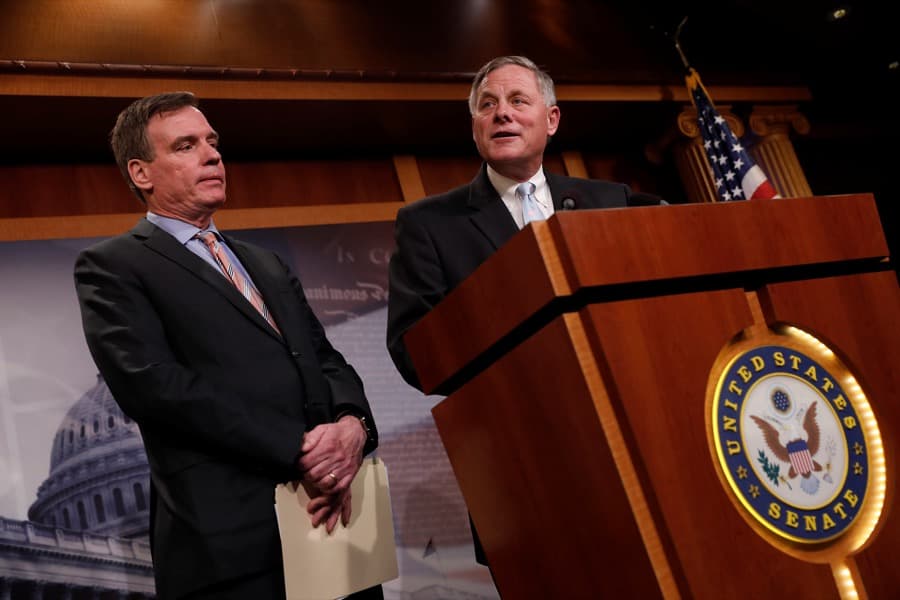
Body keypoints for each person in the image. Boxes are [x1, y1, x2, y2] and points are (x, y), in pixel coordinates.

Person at [75, 92, 381, 599]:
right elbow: (156, 387)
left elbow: (323, 359)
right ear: (142, 172)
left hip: (333, 522)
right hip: (235, 549)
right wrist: (299, 449)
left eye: (213, 143)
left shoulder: (265, 263)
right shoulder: (113, 267)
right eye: (186, 145)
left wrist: (354, 427)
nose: (213, 155)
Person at [386, 56, 644, 568]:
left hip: (630, 445)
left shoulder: (611, 203)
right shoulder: (429, 224)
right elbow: (415, 350)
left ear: (550, 119)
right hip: (518, 461)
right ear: (476, 126)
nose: (501, 113)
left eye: (517, 101)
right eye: (488, 105)